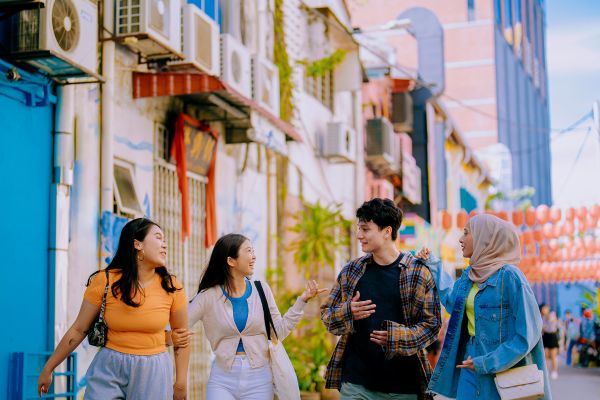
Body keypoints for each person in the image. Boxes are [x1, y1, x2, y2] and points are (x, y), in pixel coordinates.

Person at [37, 218, 190, 399]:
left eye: (164, 240)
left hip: (153, 371)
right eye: (158, 238)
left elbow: (181, 337)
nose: (164, 245)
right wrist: (49, 368)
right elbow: (79, 329)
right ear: (137, 244)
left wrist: (180, 384)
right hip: (109, 366)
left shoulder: (172, 286)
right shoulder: (105, 280)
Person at [171, 233, 326, 399]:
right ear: (231, 261)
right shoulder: (208, 296)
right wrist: (168, 337)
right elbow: (179, 325)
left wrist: (302, 301)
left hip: (259, 379)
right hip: (222, 378)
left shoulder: (262, 290)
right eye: (249, 251)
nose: (254, 256)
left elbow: (278, 332)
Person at [418, 214, 551, 399]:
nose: (460, 239)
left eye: (466, 233)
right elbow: (452, 301)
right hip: (468, 358)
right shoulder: (468, 276)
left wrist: (487, 362)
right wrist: (433, 264)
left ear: (485, 238)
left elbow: (528, 333)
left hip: (504, 364)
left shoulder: (510, 277)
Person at [320, 198, 442, 400]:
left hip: (402, 387)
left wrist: (396, 337)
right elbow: (327, 316)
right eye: (359, 229)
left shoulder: (417, 272)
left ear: (387, 231)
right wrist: (348, 311)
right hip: (355, 383)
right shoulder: (352, 271)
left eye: (365, 229)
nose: (359, 235)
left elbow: (432, 326)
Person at [540, 304, 560, 378]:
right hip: (545, 336)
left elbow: (551, 321)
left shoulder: (552, 314)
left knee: (553, 355)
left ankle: (554, 371)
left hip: (552, 336)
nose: (543, 310)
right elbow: (542, 327)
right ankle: (547, 371)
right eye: (542, 309)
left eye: (545, 308)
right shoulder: (541, 316)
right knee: (546, 355)